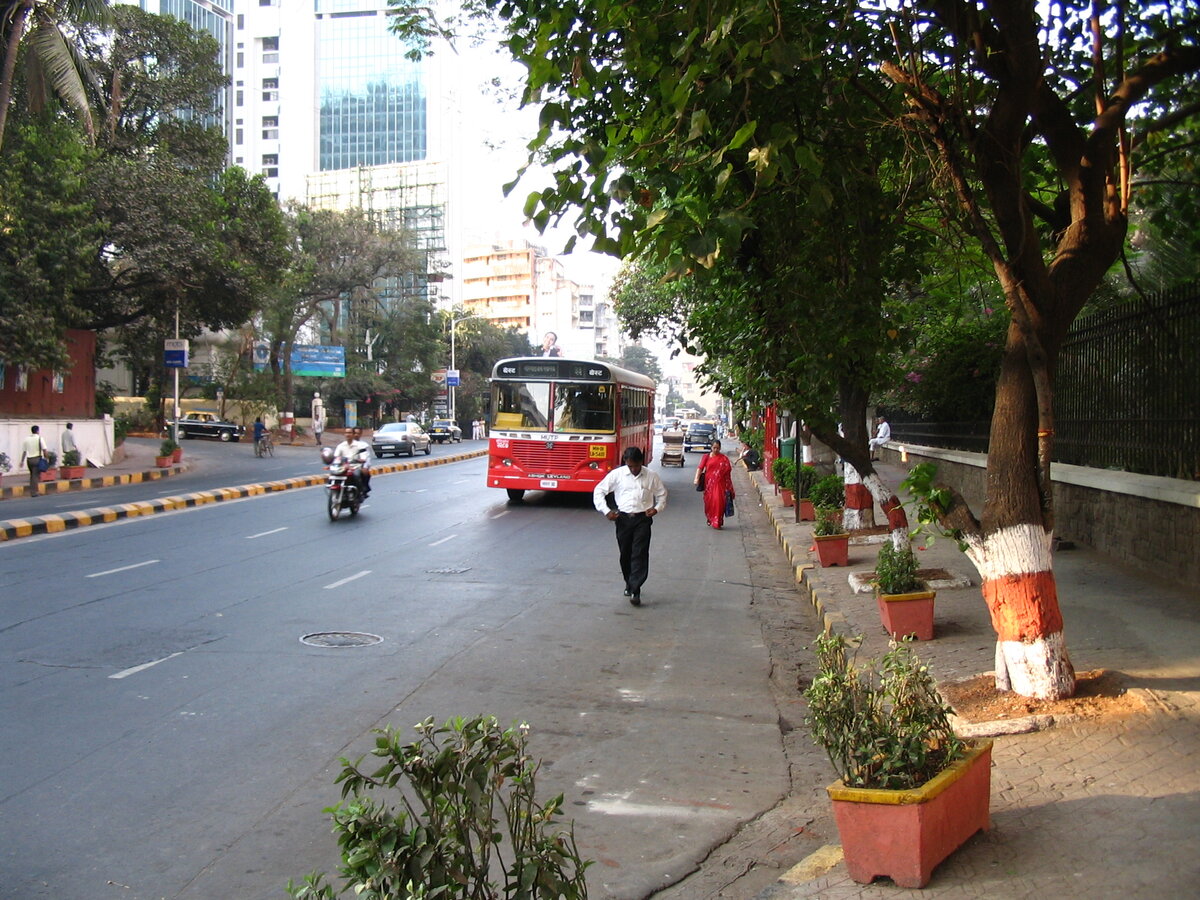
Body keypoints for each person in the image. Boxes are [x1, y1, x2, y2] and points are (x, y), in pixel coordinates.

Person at [592, 446, 667, 606]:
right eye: (630, 466)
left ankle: (636, 589)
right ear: (626, 463)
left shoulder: (651, 476)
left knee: (639, 553)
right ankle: (629, 581)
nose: (633, 469)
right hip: (623, 519)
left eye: (636, 465)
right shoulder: (617, 475)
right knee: (625, 553)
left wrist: (656, 508)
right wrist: (606, 511)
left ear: (641, 462)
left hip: (642, 519)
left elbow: (662, 494)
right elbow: (599, 491)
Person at [694, 439, 735, 528]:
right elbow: (700, 468)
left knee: (719, 502)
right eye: (714, 448)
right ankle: (710, 518)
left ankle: (717, 521)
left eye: (718, 448)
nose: (716, 450)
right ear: (711, 447)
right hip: (709, 484)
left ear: (720, 448)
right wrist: (696, 478)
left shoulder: (724, 458)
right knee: (709, 503)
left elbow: (728, 470)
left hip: (720, 484)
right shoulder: (706, 457)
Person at [333, 427, 371, 497]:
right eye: (346, 433)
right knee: (333, 475)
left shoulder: (361, 445)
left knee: (356, 475)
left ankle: (360, 492)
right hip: (343, 467)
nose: (348, 435)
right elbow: (336, 457)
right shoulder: (340, 446)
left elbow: (364, 457)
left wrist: (360, 461)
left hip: (355, 467)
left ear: (353, 434)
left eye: (350, 433)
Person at [18, 425, 47, 493]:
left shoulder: (27, 439)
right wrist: (46, 458)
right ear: (37, 431)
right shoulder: (40, 438)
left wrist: (22, 461)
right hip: (37, 459)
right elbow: (44, 449)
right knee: (35, 476)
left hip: (29, 460)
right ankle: (34, 492)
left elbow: (24, 451)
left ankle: (33, 490)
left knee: (32, 475)